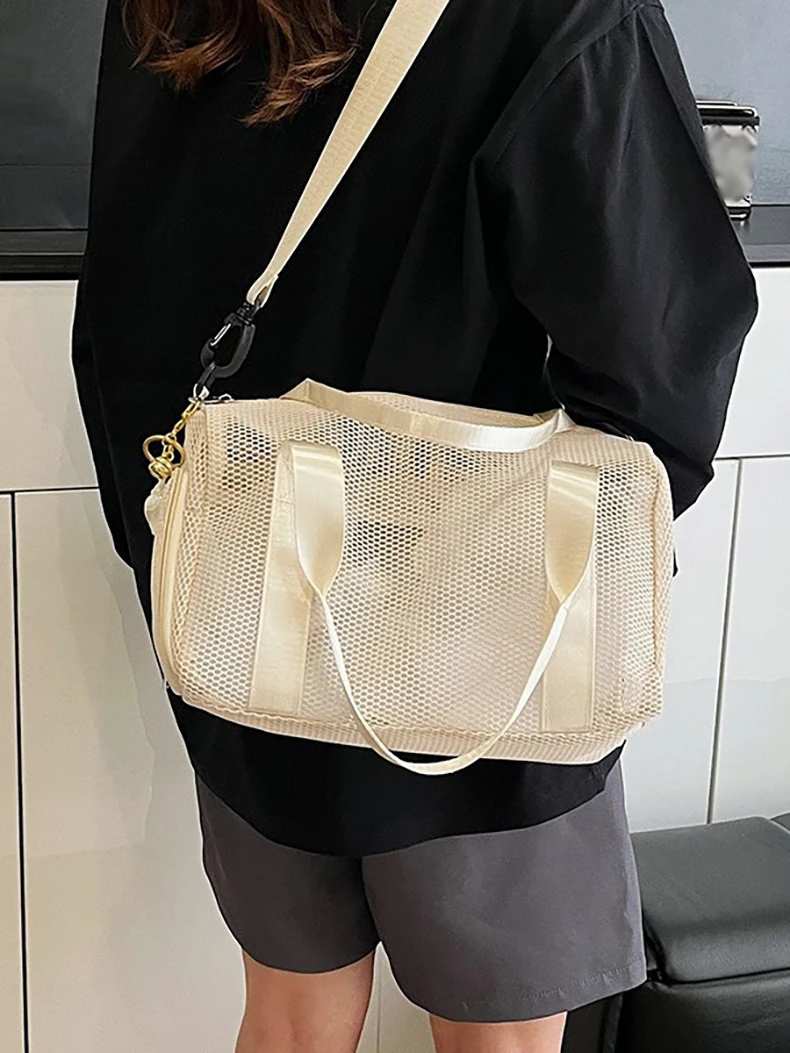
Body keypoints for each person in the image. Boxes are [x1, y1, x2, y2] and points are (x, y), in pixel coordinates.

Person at [73, 0, 758, 1050]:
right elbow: (658, 367)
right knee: (499, 1038)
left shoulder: (165, 6)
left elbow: (124, 323)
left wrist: (176, 558)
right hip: (491, 649)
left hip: (244, 613)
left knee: (291, 1020)